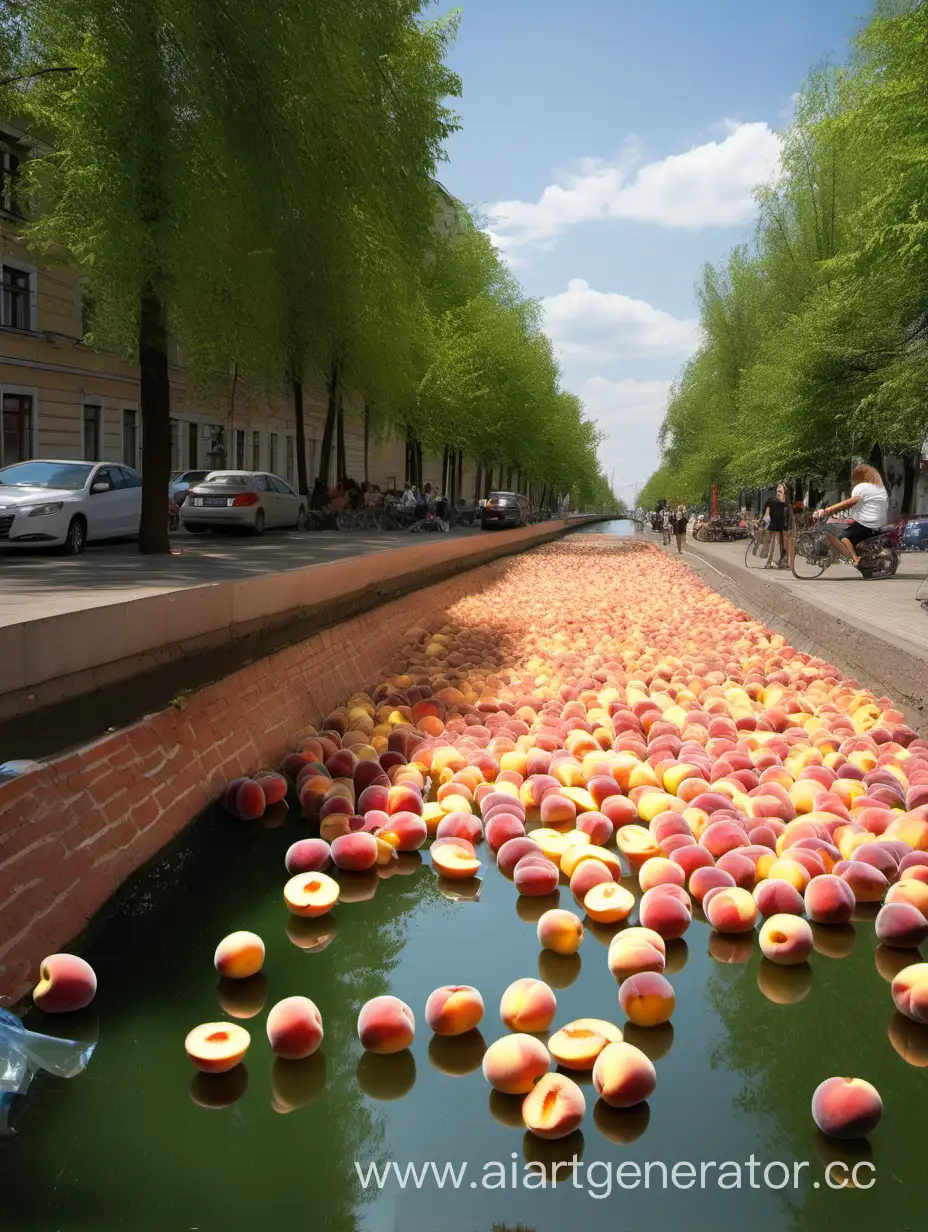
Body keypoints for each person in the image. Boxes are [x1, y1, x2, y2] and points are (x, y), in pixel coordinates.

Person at [813, 464, 889, 567]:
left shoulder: (863, 488)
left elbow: (848, 503)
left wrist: (826, 511)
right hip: (876, 522)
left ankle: (856, 559)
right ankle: (859, 555)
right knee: (849, 530)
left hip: (868, 524)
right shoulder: (878, 488)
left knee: (841, 537)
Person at [762, 483, 789, 569]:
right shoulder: (773, 501)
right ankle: (772, 562)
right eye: (777, 491)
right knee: (775, 544)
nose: (778, 493)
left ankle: (775, 562)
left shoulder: (784, 503)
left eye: (780, 491)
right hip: (776, 526)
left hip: (784, 528)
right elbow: (766, 511)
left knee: (780, 545)